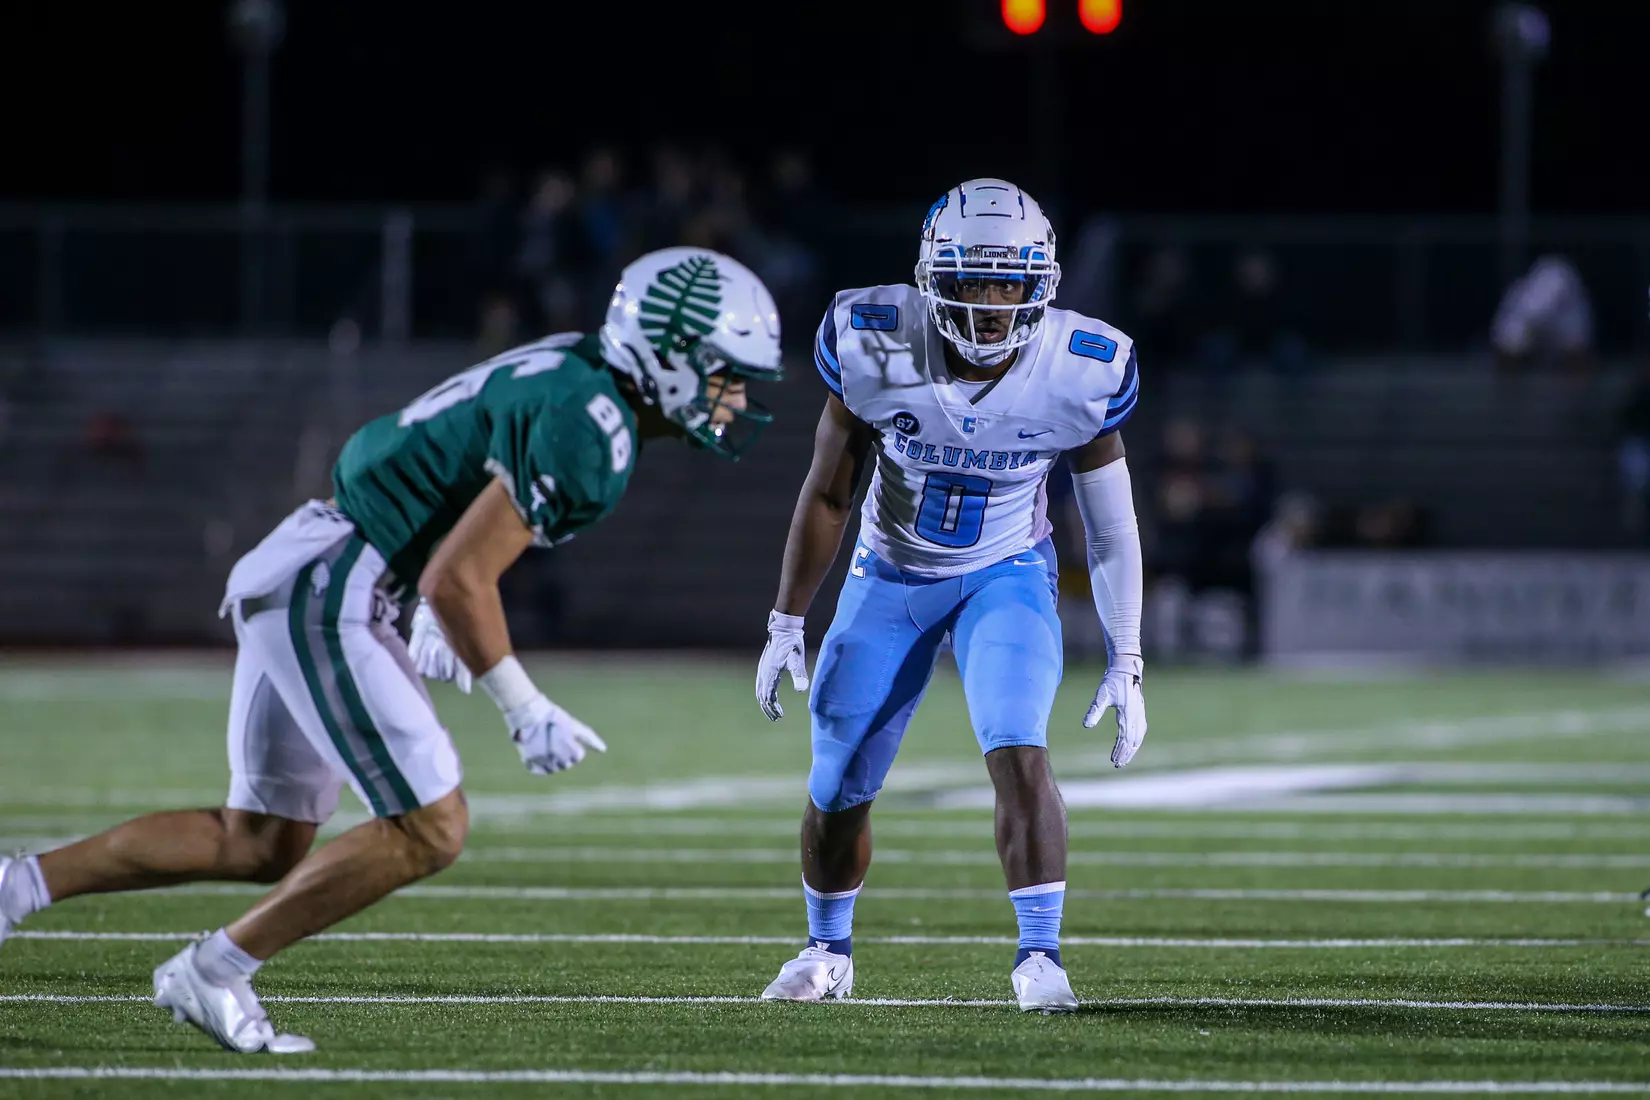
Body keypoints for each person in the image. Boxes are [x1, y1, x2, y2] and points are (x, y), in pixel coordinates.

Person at [0, 248, 784, 1053]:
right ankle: (215, 970)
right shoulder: (594, 429)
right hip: (337, 581)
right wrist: (522, 705)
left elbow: (459, 476)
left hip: (317, 560)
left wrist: (435, 600)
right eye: (726, 373)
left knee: (259, 839)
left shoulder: (577, 370)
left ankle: (13, 889)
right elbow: (457, 577)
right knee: (432, 827)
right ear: (669, 358)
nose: (736, 396)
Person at [753, 178, 1148, 1014]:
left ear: (1042, 283)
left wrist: (1129, 654)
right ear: (934, 278)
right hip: (889, 573)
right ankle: (827, 948)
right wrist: (787, 617)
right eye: (973, 280)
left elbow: (1111, 527)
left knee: (1019, 747)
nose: (992, 305)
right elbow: (829, 491)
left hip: (1006, 574)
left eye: (1010, 282)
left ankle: (1040, 955)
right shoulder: (874, 341)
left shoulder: (1081, 368)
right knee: (837, 783)